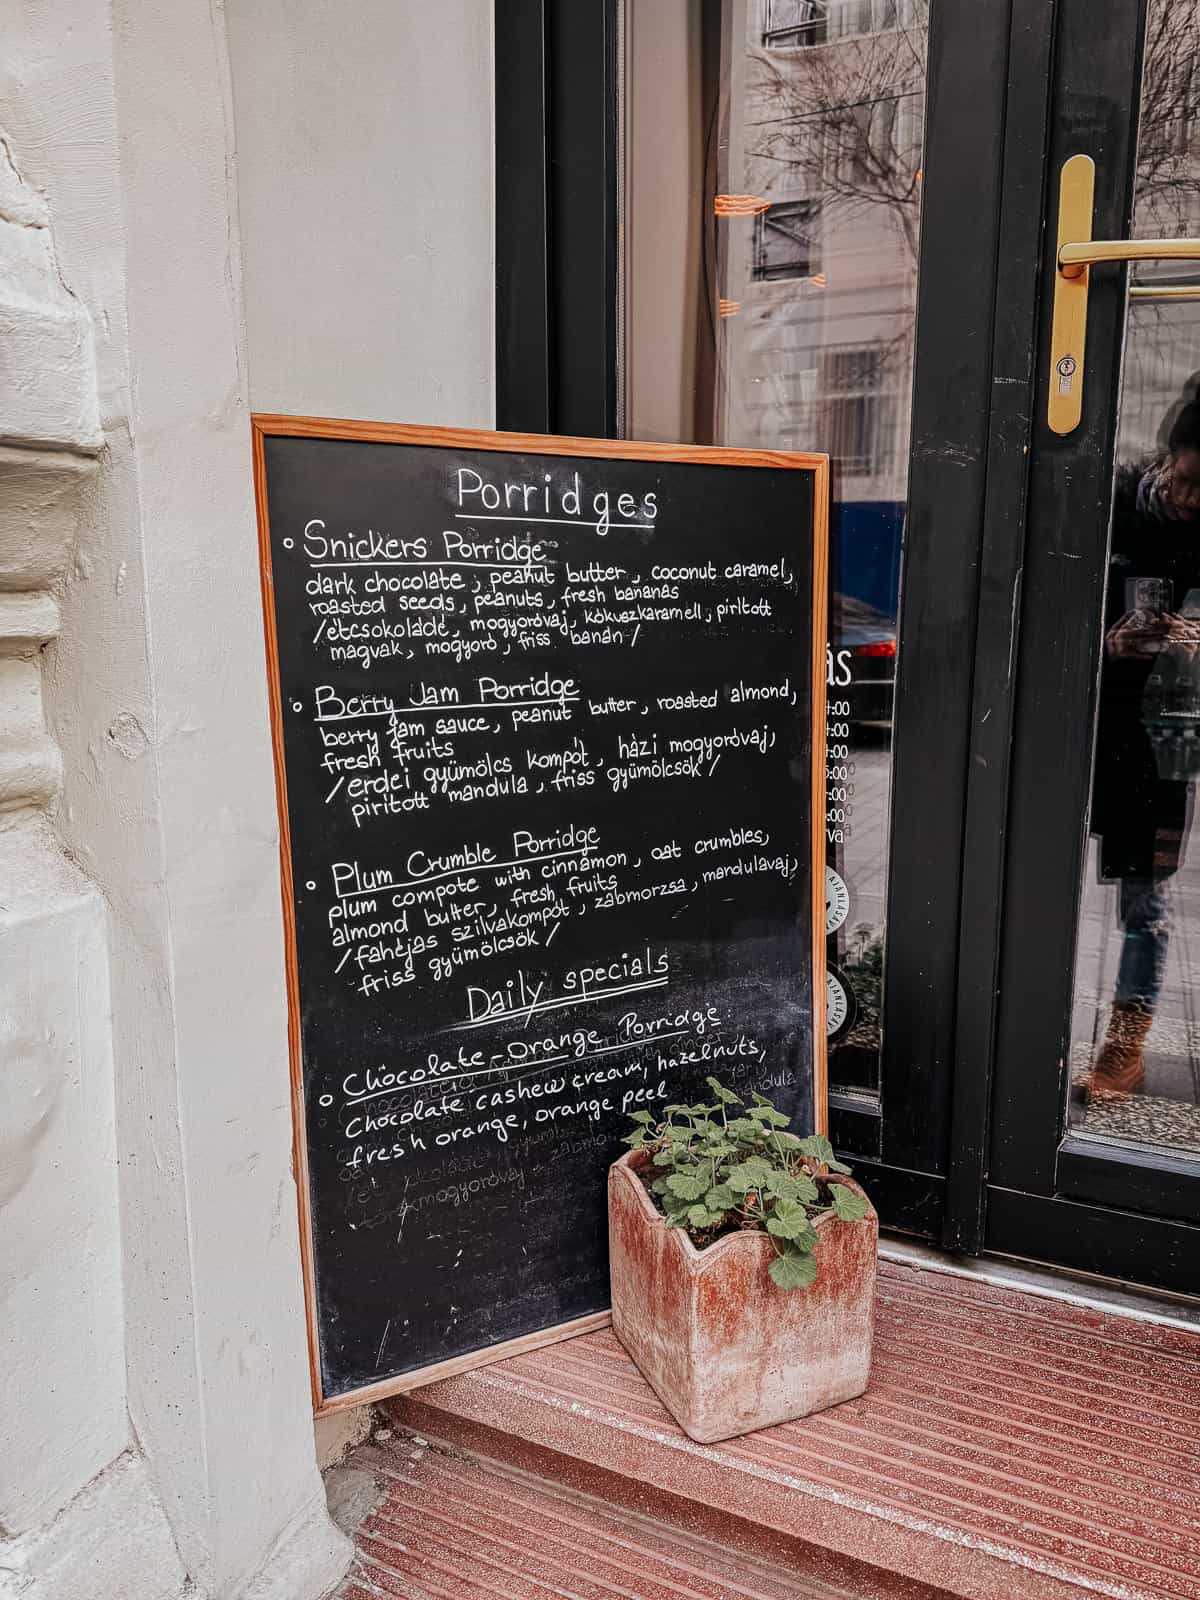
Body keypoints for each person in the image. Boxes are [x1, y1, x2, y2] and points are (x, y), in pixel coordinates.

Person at [1087, 398, 1200, 1098]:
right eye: (1189, 480)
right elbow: (1055, 600)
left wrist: (1193, 643)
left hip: (1170, 732)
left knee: (1145, 900)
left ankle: (1123, 1051)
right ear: (1168, 455)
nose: (1192, 501)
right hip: (1089, 721)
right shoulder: (1115, 498)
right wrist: (1109, 641)